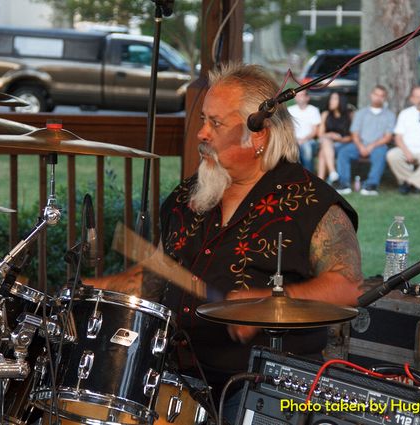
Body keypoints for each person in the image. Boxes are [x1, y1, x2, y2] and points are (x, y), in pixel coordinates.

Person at [88, 63, 363, 422]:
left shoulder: (312, 203)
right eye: (203, 120)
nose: (201, 133)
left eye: (215, 124)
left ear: (259, 134)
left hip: (265, 390)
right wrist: (84, 293)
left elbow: (347, 285)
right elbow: (159, 277)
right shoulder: (189, 196)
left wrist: (268, 303)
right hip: (177, 381)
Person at [335, 85, 396, 196]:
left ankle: (371, 185)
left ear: (385, 98)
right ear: (371, 95)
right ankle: (344, 184)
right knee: (344, 152)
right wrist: (361, 146)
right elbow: (354, 133)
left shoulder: (390, 115)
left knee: (380, 154)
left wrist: (371, 146)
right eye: (376, 94)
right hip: (359, 144)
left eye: (382, 96)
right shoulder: (361, 113)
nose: (378, 98)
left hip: (378, 145)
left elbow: (388, 137)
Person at [317, 92, 352, 184]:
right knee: (325, 142)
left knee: (322, 151)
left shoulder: (349, 115)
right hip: (328, 144)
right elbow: (320, 134)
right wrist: (330, 135)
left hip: (344, 144)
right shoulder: (326, 114)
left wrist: (338, 138)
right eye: (331, 99)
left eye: (334, 99)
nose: (331, 101)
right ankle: (332, 173)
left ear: (341, 101)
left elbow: (352, 137)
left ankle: (321, 180)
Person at [287, 89, 322, 172]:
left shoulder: (313, 110)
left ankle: (309, 175)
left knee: (306, 148)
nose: (299, 97)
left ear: (307, 98)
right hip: (293, 140)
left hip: (309, 141)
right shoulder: (289, 110)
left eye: (301, 95)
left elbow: (315, 131)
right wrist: (295, 140)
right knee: (291, 148)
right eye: (297, 95)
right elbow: (287, 129)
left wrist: (303, 140)